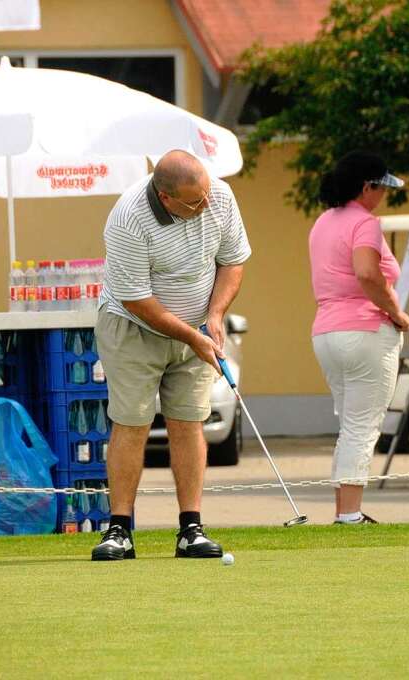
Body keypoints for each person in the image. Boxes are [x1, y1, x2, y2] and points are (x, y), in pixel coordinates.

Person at [91, 150, 251, 560]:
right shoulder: (127, 219)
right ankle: (120, 531)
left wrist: (214, 315)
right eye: (194, 202)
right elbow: (137, 301)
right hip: (133, 328)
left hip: (196, 326)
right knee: (132, 422)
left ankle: (190, 530)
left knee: (189, 421)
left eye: (206, 194)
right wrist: (193, 336)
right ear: (166, 198)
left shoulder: (217, 197)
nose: (205, 205)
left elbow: (232, 262)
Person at [308, 150, 409, 525]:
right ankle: (350, 515)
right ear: (367, 187)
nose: (384, 195)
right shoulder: (365, 223)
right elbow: (367, 273)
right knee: (363, 426)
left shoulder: (323, 221)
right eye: (381, 188)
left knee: (349, 423)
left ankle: (344, 512)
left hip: (326, 332)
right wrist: (396, 313)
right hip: (365, 331)